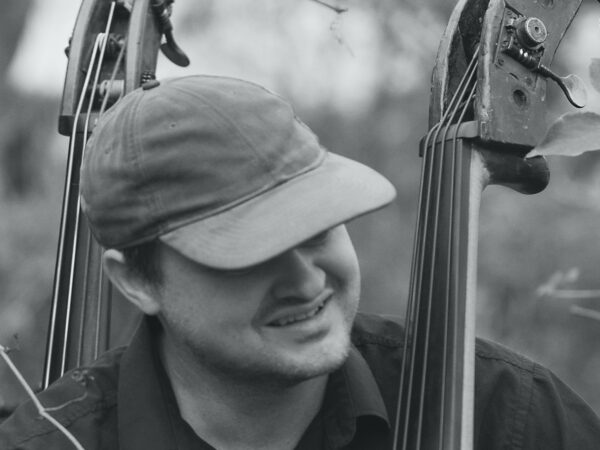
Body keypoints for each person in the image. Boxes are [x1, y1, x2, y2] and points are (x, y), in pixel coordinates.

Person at [1, 75, 599, 450]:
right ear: (135, 279)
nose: (308, 280)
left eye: (318, 227)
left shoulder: (508, 416)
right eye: (248, 252)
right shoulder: (53, 441)